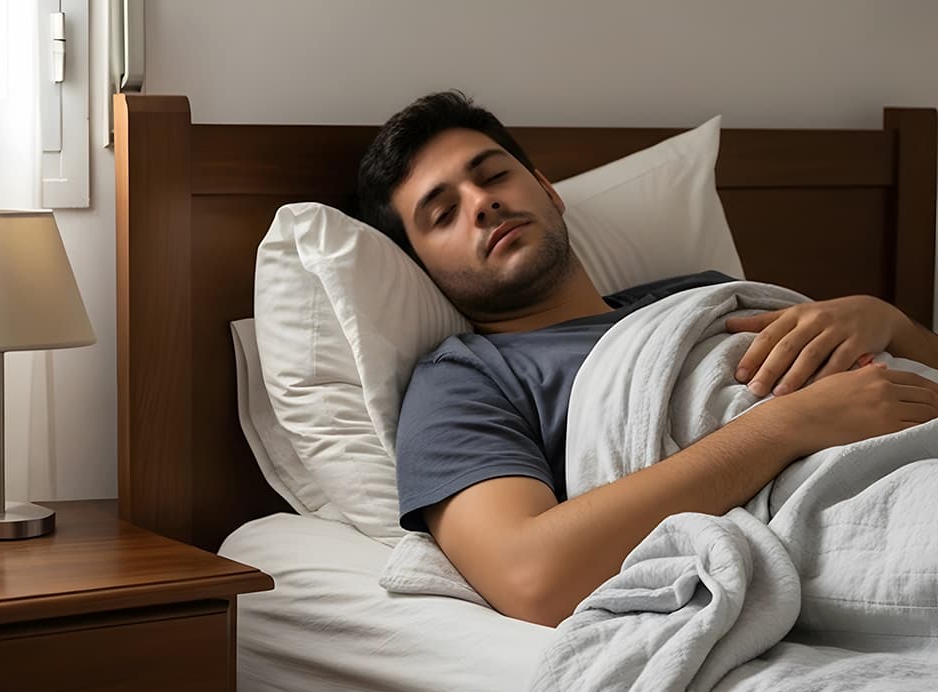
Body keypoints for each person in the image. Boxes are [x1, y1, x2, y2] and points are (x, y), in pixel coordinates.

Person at [356, 90, 938, 627]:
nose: (481, 203)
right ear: (420, 265)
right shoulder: (464, 379)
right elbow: (531, 577)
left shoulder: (699, 296)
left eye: (493, 176)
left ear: (547, 189)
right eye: (443, 213)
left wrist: (885, 319)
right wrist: (789, 426)